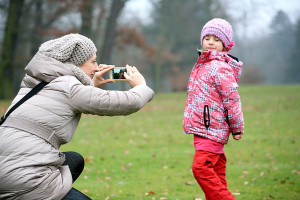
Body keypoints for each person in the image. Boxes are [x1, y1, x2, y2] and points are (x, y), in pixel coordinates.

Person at [0, 33, 154, 200]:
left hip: (6, 171)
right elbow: (127, 102)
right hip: (24, 180)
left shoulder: (32, 85)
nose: (96, 68)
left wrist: (90, 85)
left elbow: (62, 99)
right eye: (93, 61)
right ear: (76, 63)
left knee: (75, 160)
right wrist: (141, 86)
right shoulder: (69, 88)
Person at [183, 18, 244, 200]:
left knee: (200, 168)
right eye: (207, 38)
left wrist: (237, 127)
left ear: (225, 46)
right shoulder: (204, 63)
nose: (210, 42)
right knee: (217, 176)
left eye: (217, 40)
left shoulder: (220, 67)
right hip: (204, 128)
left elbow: (232, 100)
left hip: (212, 129)